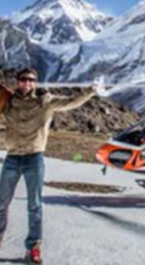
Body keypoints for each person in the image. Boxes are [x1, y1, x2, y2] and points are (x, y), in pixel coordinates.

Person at [0, 68, 97, 264]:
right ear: (18, 82)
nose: (27, 83)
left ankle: (34, 248)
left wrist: (90, 91)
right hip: (12, 157)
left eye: (31, 80)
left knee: (34, 205)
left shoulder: (46, 101)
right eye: (23, 79)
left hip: (34, 158)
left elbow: (70, 102)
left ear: (35, 82)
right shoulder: (8, 102)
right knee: (1, 203)